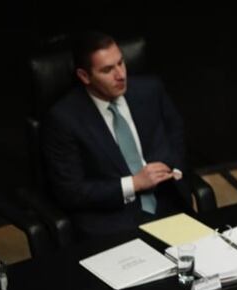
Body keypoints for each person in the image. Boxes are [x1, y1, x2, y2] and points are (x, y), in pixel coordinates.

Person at [42, 31, 189, 237]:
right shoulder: (64, 119)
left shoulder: (150, 90)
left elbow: (176, 135)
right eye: (108, 70)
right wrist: (134, 184)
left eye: (121, 63)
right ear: (84, 76)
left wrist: (173, 169)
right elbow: (71, 191)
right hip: (111, 221)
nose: (121, 75)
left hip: (167, 204)